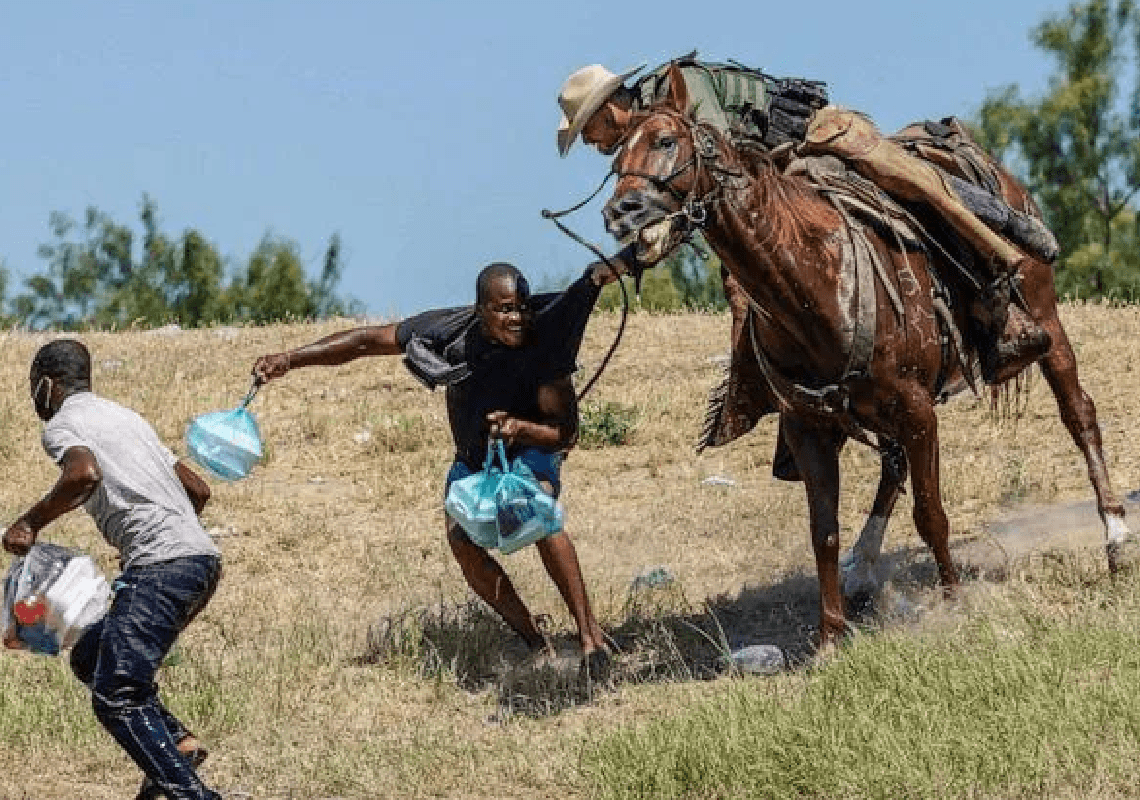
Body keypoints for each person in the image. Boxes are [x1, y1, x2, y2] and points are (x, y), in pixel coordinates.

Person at [556, 55, 1058, 385]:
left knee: (907, 186)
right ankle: (781, 390)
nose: (592, 144)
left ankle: (1001, 267)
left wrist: (656, 235)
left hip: (811, 140)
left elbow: (718, 168)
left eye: (588, 131)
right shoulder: (646, 142)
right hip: (769, 183)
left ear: (608, 109)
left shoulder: (676, 90)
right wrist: (628, 257)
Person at [251, 258, 625, 675]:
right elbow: (365, 342)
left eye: (521, 307)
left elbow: (565, 435)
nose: (516, 318)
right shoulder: (447, 332)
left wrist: (518, 428)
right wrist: (291, 358)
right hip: (473, 458)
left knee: (535, 512)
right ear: (481, 309)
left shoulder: (546, 345)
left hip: (532, 448)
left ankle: (591, 638)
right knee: (462, 543)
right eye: (504, 309)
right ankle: (535, 641)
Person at [2, 339, 223, 800]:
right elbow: (197, 490)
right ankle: (176, 743)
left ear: (46, 385)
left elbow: (82, 475)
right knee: (92, 657)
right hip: (200, 560)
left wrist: (30, 522)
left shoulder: (64, 423)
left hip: (164, 566)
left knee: (117, 693)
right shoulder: (125, 418)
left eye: (31, 387)